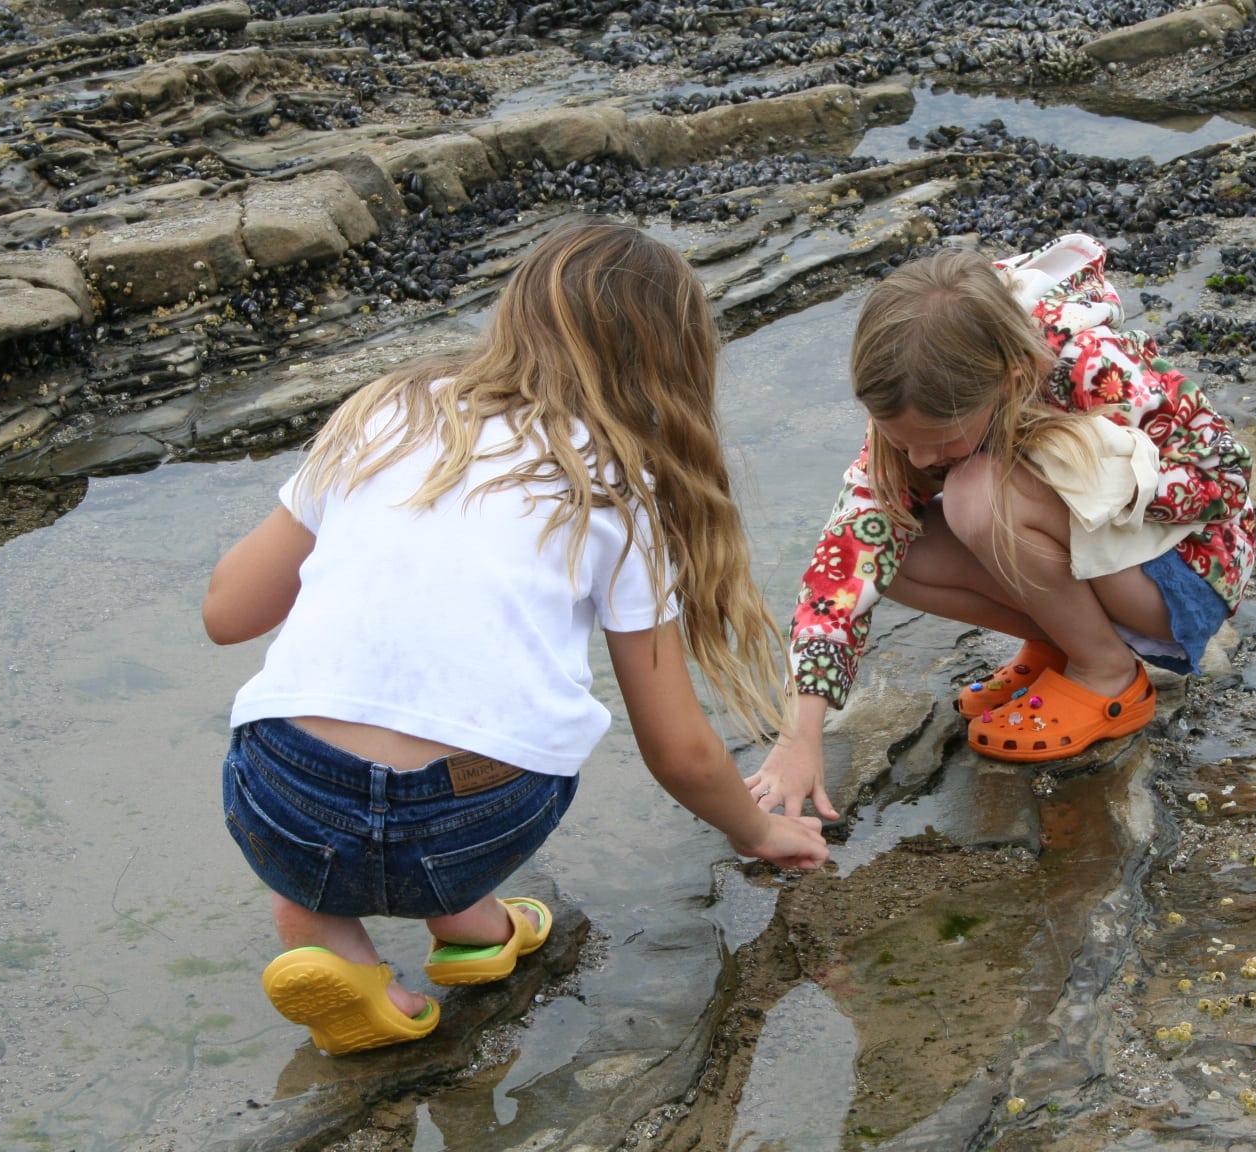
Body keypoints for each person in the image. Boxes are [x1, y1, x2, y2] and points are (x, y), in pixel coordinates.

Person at [202, 218, 827, 1056]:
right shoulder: (619, 489)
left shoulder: (388, 410)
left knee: (302, 798)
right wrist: (755, 832)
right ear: (671, 365)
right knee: (499, 740)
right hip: (474, 823)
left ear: (514, 312)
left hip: (290, 802)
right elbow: (679, 751)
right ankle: (469, 919)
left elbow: (226, 614)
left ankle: (329, 950)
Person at [748, 233, 1255, 819]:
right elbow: (845, 557)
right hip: (1106, 562)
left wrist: (1090, 475)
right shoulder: (927, 386)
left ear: (1013, 382)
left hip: (1185, 578)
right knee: (887, 550)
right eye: (898, 439)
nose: (917, 460)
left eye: (935, 442)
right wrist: (799, 736)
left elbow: (1226, 478)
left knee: (975, 496)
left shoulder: (1091, 366)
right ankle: (1064, 644)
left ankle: (1107, 671)